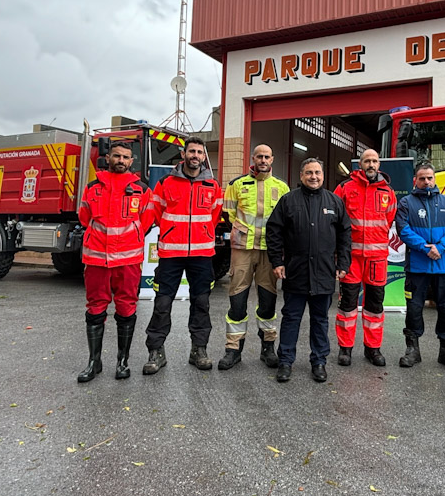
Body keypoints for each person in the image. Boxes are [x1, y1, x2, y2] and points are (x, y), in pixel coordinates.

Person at [139, 137, 224, 375]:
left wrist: (201, 233)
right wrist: (172, 232)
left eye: (199, 152)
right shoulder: (166, 182)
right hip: (171, 254)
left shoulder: (212, 185)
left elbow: (214, 216)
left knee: (201, 303)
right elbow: (156, 212)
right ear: (183, 154)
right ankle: (156, 351)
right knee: (162, 303)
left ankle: (199, 349)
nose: (195, 155)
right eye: (191, 151)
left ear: (203, 157)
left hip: (202, 254)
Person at [265, 158, 351, 383]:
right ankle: (285, 361)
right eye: (309, 173)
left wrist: (343, 263)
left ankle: (319, 361)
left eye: (317, 173)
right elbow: (274, 232)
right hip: (295, 271)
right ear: (301, 176)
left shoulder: (334, 202)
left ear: (323, 175)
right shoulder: (288, 201)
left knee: (320, 319)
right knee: (291, 318)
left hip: (323, 272)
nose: (314, 177)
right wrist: (277, 261)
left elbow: (345, 235)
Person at [76, 140, 148, 383]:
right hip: (97, 258)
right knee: (95, 308)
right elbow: (85, 217)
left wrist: (131, 237)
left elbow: (147, 219)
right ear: (108, 158)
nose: (121, 160)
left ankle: (122, 361)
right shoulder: (92, 187)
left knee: (126, 308)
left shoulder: (141, 189)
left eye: (125, 157)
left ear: (131, 161)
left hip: (128, 260)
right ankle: (93, 362)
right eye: (116, 156)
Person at [219, 144, 288, 370]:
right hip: (242, 249)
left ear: (272, 159)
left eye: (267, 156)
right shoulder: (236, 185)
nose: (263, 160)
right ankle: (233, 349)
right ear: (253, 158)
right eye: (259, 156)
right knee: (237, 300)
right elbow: (229, 214)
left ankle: (268, 348)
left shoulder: (282, 187)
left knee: (268, 302)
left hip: (270, 251)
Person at [394, 164, 445, 370]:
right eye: (422, 178)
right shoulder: (406, 202)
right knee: (414, 308)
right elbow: (403, 230)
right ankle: (412, 350)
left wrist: (440, 248)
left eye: (430, 178)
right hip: (417, 266)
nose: (426, 182)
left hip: (443, 266)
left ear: (435, 179)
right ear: (415, 180)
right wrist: (426, 249)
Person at [333, 149, 397, 367]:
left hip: (377, 259)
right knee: (348, 305)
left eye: (375, 161)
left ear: (379, 165)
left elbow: (389, 219)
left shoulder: (388, 191)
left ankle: (373, 349)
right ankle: (345, 348)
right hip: (351, 258)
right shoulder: (344, 188)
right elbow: (335, 220)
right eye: (367, 161)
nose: (371, 164)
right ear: (360, 164)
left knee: (374, 306)